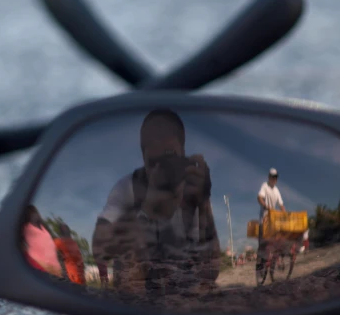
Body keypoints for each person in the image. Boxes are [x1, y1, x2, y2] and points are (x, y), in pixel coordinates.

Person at [91, 109, 221, 297]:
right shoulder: (129, 187)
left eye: (169, 156)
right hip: (139, 294)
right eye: (155, 161)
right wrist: (146, 212)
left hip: (185, 293)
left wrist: (203, 202)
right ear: (143, 157)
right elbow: (99, 249)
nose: (163, 169)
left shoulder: (192, 189)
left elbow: (210, 272)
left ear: (183, 153)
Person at [21, 205, 62, 276]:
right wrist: (41, 264)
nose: (34, 215)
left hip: (57, 271)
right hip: (42, 270)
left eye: (34, 212)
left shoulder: (44, 227)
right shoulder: (26, 228)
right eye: (31, 212)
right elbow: (20, 246)